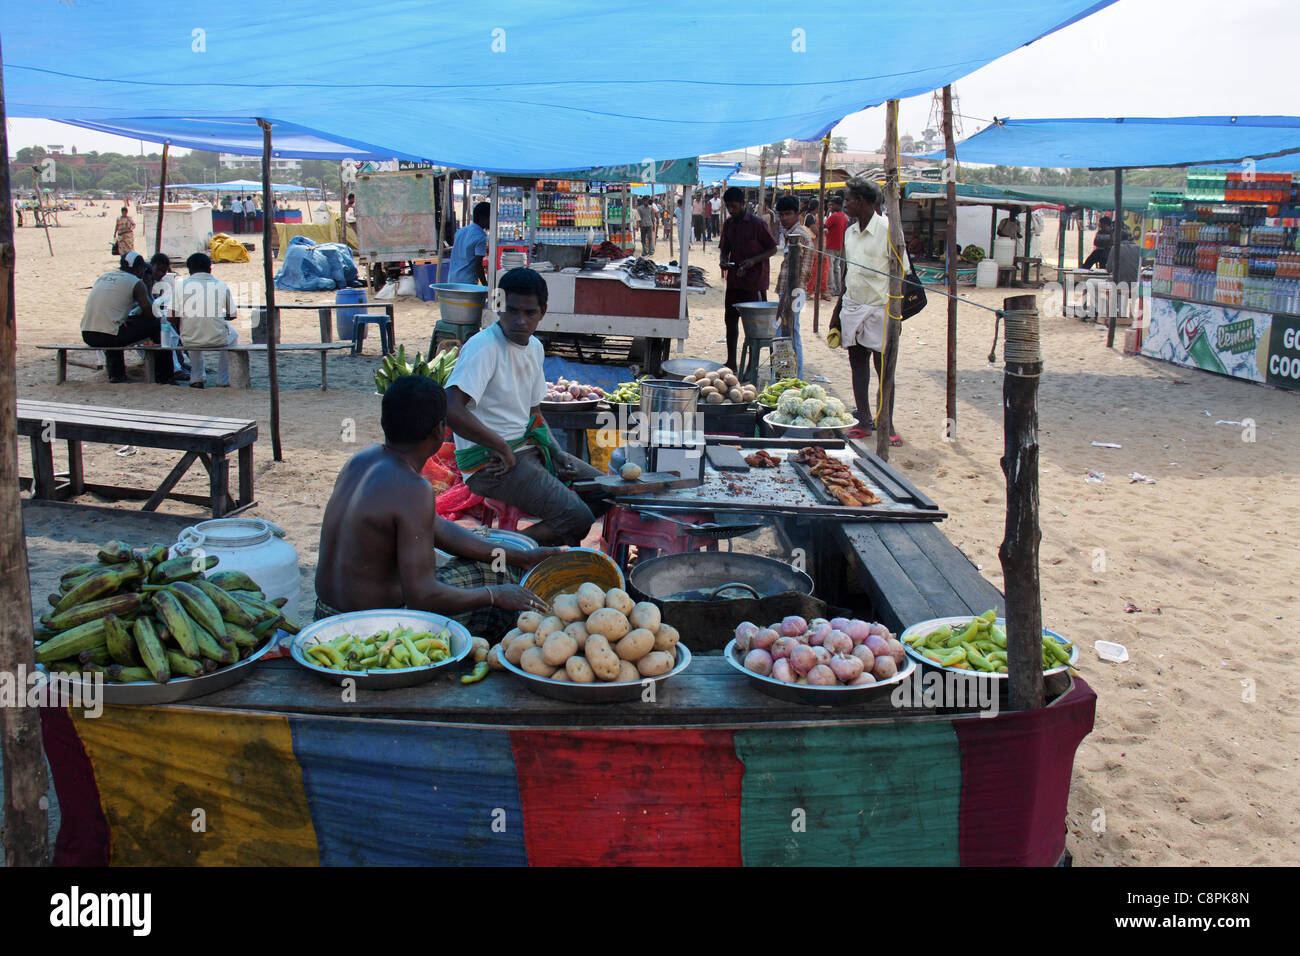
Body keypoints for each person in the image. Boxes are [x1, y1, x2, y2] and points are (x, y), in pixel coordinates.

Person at [314, 375, 560, 635]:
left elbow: (438, 529)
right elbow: (423, 596)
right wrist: (493, 595)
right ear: (439, 430)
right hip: (370, 632)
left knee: (497, 564)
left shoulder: (361, 460)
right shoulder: (413, 488)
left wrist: (520, 557)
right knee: (496, 578)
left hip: (325, 616)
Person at [445, 268, 611, 547]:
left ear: (543, 312)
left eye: (529, 313)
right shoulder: (484, 347)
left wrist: (557, 454)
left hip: (526, 450)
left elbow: (533, 413)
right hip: (490, 464)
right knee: (579, 520)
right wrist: (502, 447)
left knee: (606, 492)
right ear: (499, 307)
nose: (519, 320)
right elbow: (450, 408)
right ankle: (494, 550)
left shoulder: (534, 347)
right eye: (511, 311)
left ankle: (528, 543)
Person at [829, 178, 906, 444]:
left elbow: (902, 273)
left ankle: (887, 423)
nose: (845, 204)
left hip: (881, 309)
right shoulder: (850, 233)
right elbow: (848, 273)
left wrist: (896, 312)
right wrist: (837, 312)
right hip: (852, 306)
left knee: (884, 369)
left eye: (848, 199)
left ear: (861, 202)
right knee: (857, 364)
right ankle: (864, 420)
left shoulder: (888, 231)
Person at [80, 251, 172, 384]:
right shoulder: (135, 282)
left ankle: (116, 374)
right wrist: (148, 287)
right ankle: (164, 376)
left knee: (115, 325)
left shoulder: (103, 277)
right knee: (158, 325)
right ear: (139, 268)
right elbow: (152, 314)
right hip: (109, 336)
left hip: (88, 334)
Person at [718, 185, 778, 372]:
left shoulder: (758, 224)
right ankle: (731, 361)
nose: (731, 210)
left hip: (754, 282)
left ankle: (752, 366)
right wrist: (722, 260)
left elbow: (772, 249)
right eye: (728, 206)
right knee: (730, 321)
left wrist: (752, 261)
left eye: (734, 206)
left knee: (753, 327)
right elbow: (725, 248)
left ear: (743, 204)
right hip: (735, 281)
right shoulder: (728, 224)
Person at [174, 252, 238, 388]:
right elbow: (232, 314)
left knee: (192, 329)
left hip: (189, 339)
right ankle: (223, 379)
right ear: (210, 268)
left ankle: (197, 377)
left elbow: (171, 316)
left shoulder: (180, 286)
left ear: (189, 270)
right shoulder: (221, 285)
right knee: (233, 335)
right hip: (217, 339)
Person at [774, 196, 812, 380]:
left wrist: (787, 299)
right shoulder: (790, 234)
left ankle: (797, 376)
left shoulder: (801, 236)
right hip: (788, 291)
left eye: (788, 214)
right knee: (785, 331)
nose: (784, 218)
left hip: (795, 292)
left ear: (798, 214)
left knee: (792, 333)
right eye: (781, 215)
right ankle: (787, 374)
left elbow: (802, 272)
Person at [148, 252, 189, 382]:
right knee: (168, 333)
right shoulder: (145, 280)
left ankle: (180, 362)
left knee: (173, 329)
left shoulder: (161, 282)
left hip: (156, 316)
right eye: (159, 270)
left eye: (164, 271)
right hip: (146, 320)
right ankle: (176, 368)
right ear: (152, 266)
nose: (161, 274)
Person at [448, 201, 490, 285]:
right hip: (467, 283)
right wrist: (485, 285)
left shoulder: (460, 231)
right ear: (483, 218)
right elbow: (478, 265)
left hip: (452, 280)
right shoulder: (480, 237)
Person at [823, 196, 849, 297]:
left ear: (838, 205)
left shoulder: (833, 217)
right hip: (839, 245)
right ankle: (838, 289)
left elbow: (824, 226)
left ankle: (831, 288)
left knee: (830, 267)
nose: (831, 207)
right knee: (837, 268)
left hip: (831, 245)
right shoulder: (844, 216)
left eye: (832, 204)